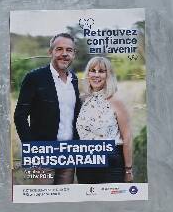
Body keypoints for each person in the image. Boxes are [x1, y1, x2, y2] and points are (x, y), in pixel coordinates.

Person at [13, 32, 81, 185]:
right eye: (59, 49)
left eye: (69, 50)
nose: (64, 54)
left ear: (74, 54)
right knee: (43, 197)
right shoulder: (34, 78)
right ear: (50, 52)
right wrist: (32, 150)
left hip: (69, 153)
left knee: (64, 197)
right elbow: (20, 116)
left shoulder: (74, 79)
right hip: (43, 153)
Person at [74, 56, 133, 184]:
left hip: (110, 162)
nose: (96, 75)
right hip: (85, 162)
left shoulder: (116, 101)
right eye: (92, 70)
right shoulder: (83, 100)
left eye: (101, 71)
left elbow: (127, 137)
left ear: (108, 75)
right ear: (88, 74)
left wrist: (128, 169)